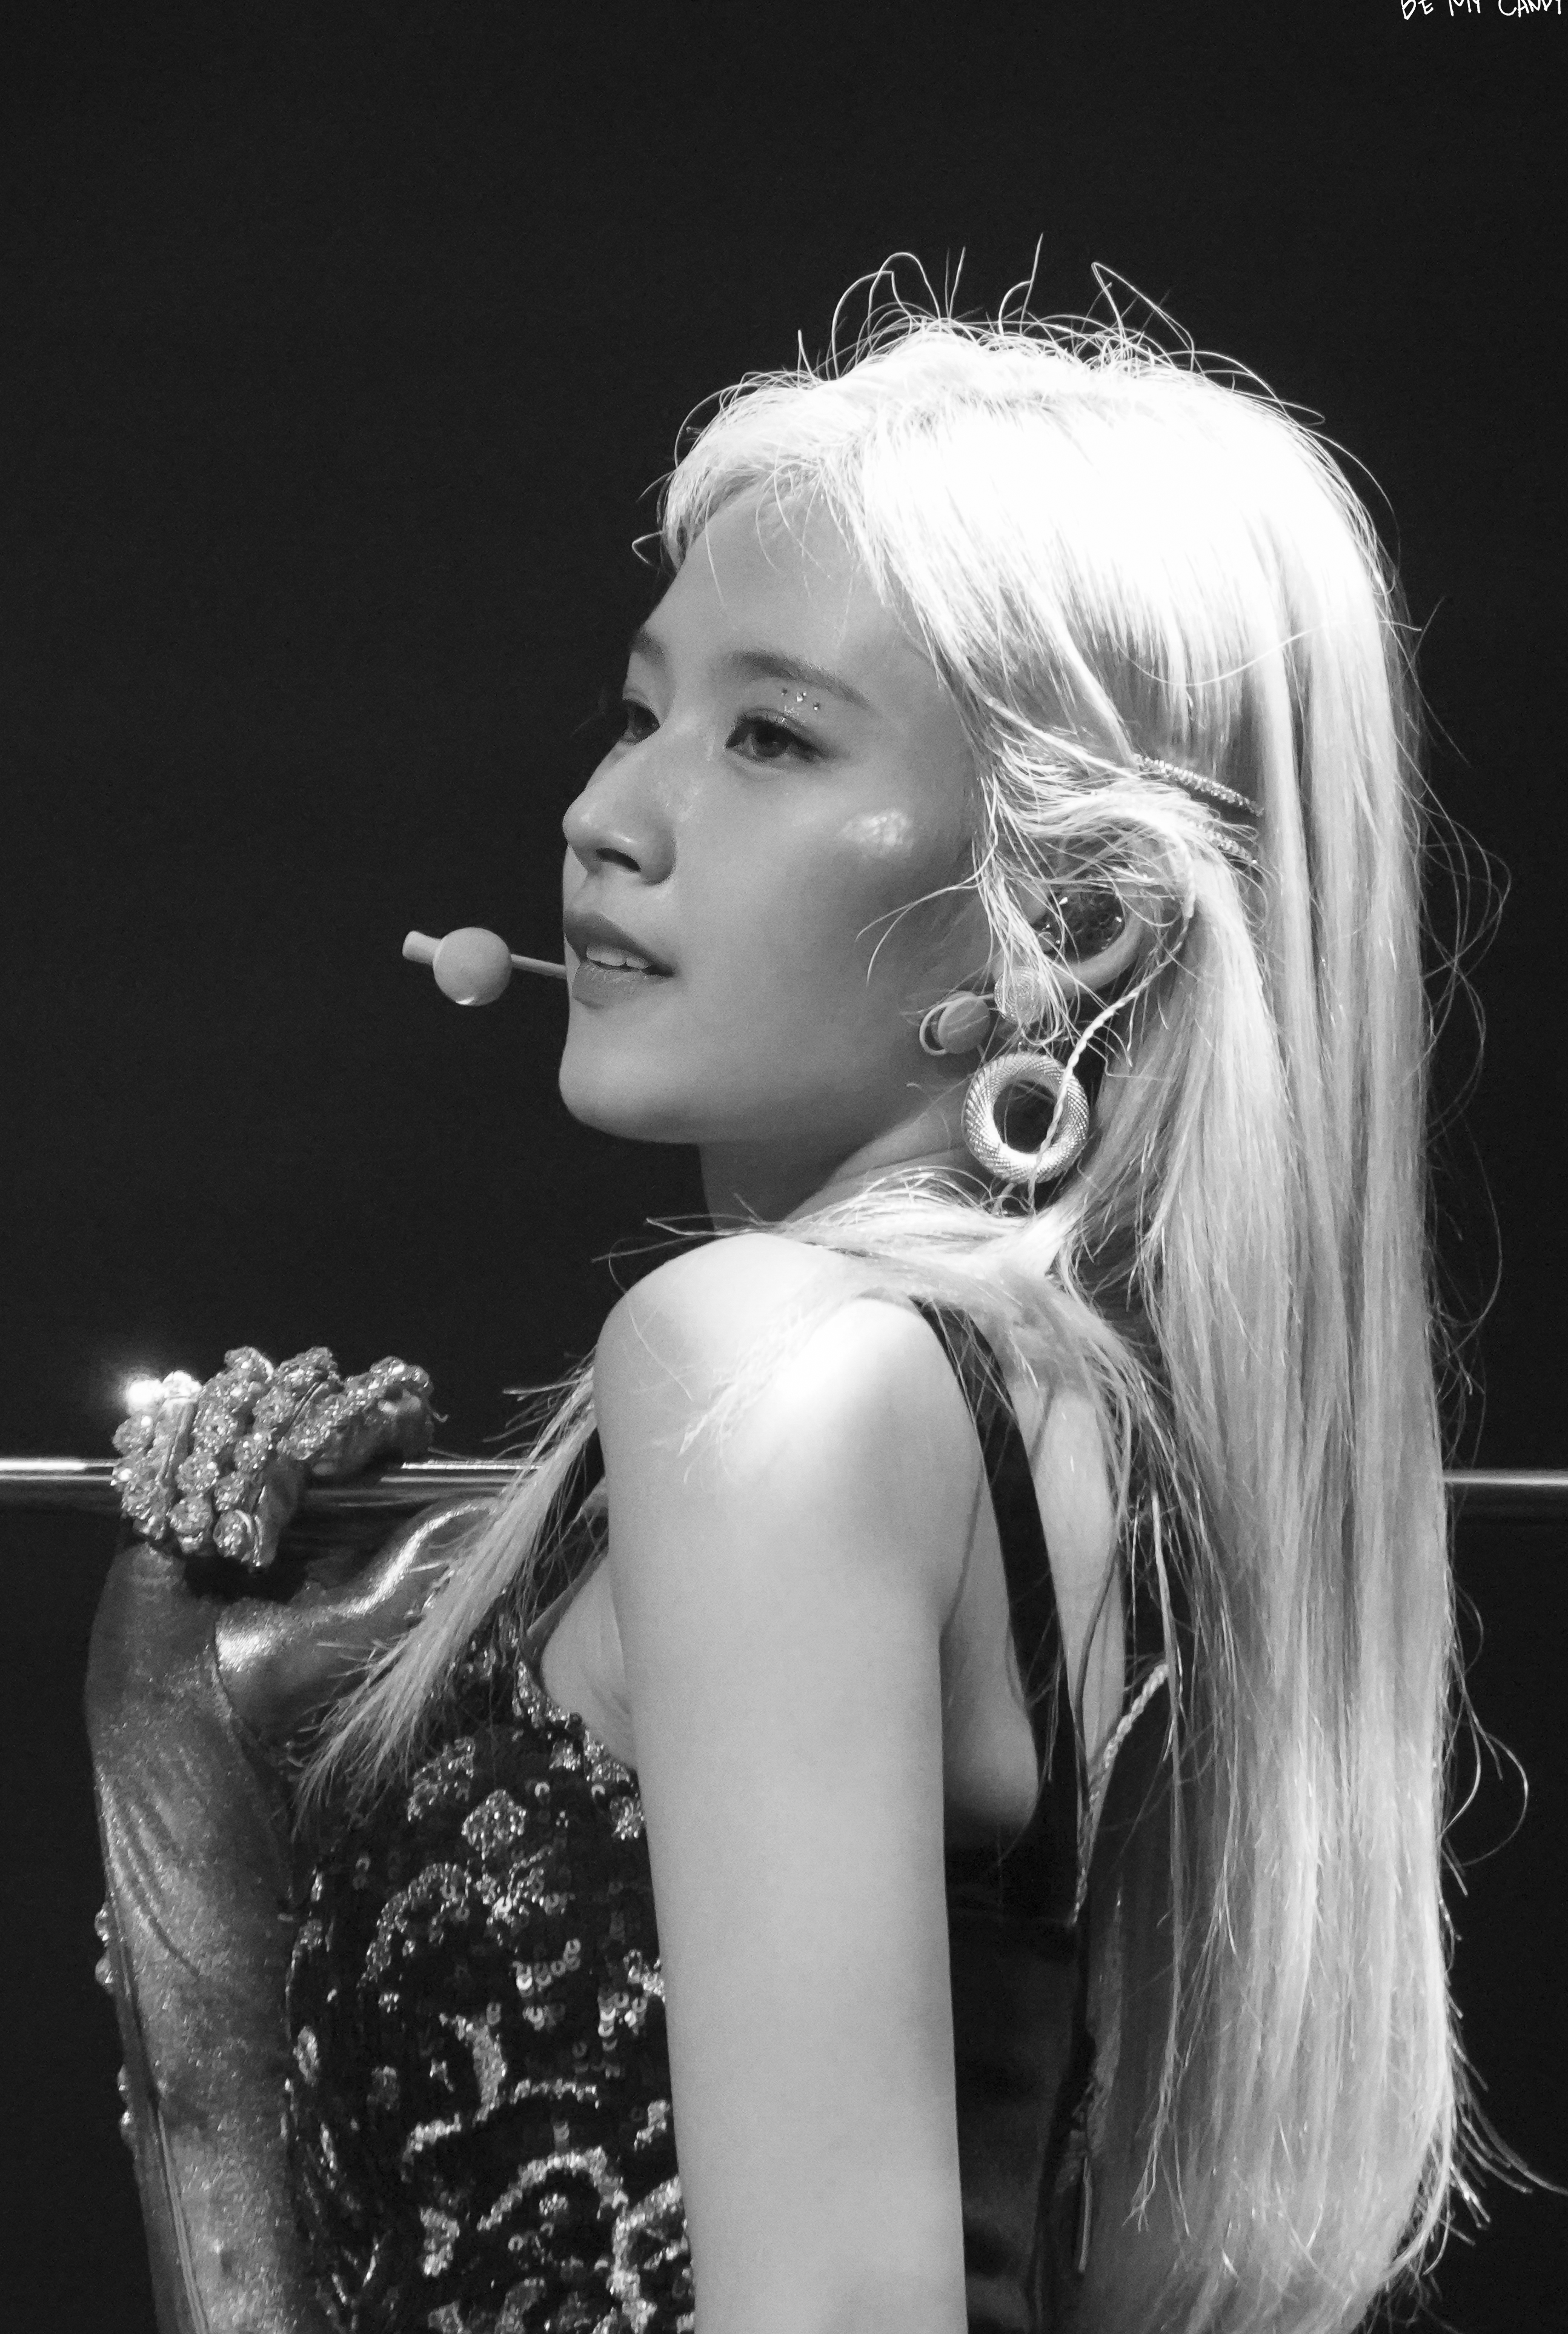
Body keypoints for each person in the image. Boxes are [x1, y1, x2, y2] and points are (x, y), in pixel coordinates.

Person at [85, 274, 1480, 2334]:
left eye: (769, 735)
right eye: (639, 709)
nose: (605, 818)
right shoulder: (1092, 1427)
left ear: (1070, 916)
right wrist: (275, 1620)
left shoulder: (769, 1368)